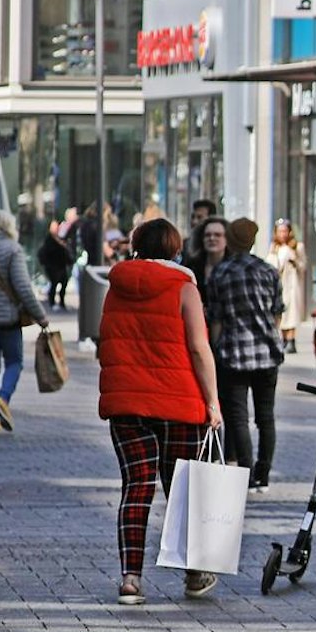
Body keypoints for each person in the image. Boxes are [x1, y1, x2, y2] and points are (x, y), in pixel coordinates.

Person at [97, 216, 222, 604]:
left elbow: (106, 341)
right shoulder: (184, 287)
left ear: (137, 247)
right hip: (179, 402)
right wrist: (213, 401)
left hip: (127, 403)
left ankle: (130, 578)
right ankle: (195, 573)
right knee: (182, 489)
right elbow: (199, 348)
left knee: (136, 487)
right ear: (175, 249)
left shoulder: (117, 287)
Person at [204, 217, 285, 489]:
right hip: (267, 353)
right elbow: (277, 313)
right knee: (266, 416)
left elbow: (216, 319)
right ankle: (264, 472)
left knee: (238, 417)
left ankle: (246, 472)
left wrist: (215, 348)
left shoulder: (220, 273)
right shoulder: (269, 271)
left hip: (233, 353)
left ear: (231, 240)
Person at [0, 210, 51, 434]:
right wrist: (40, 316)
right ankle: (2, 399)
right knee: (14, 362)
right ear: (9, 227)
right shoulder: (13, 249)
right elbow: (23, 287)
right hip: (8, 318)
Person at [270, 219, 305, 352]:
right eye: (280, 231)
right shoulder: (274, 247)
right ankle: (284, 339)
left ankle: (291, 340)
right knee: (281, 312)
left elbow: (303, 266)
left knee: (292, 312)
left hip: (292, 284)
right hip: (280, 284)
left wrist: (294, 260)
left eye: (285, 231)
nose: (283, 234)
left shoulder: (297, 247)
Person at [36, 216, 76, 309]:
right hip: (53, 266)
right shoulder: (49, 240)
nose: (55, 229)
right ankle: (52, 302)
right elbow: (46, 252)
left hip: (61, 265)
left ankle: (61, 302)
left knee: (63, 283)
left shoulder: (61, 238)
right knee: (54, 283)